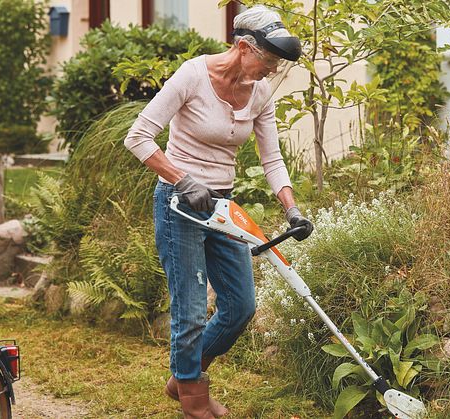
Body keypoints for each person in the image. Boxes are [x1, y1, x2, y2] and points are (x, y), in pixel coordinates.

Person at [123, 5, 313, 419]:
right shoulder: (193, 75)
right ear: (244, 47)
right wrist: (181, 178)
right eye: (268, 60)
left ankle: (184, 376)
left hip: (222, 208)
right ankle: (194, 401)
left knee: (240, 305)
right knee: (190, 311)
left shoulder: (260, 92)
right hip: (180, 206)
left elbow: (273, 159)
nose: (270, 70)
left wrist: (292, 208)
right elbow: (137, 138)